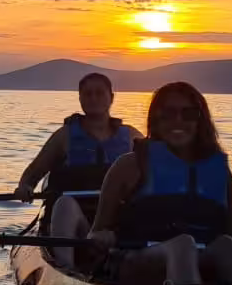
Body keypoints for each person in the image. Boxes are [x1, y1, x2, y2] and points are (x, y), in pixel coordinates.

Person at [87, 81, 232, 285]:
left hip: (199, 264)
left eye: (188, 114)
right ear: (156, 120)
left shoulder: (221, 174)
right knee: (182, 245)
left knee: (226, 246)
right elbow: (94, 236)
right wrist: (100, 238)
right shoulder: (127, 167)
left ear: (200, 121)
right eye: (168, 114)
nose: (177, 121)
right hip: (134, 264)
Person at [14, 72, 142, 268]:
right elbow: (32, 174)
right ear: (80, 99)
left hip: (116, 229)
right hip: (77, 228)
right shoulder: (64, 136)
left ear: (112, 98)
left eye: (99, 93)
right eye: (88, 94)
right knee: (64, 203)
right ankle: (66, 269)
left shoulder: (132, 136)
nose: (94, 98)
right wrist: (25, 187)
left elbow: (157, 174)